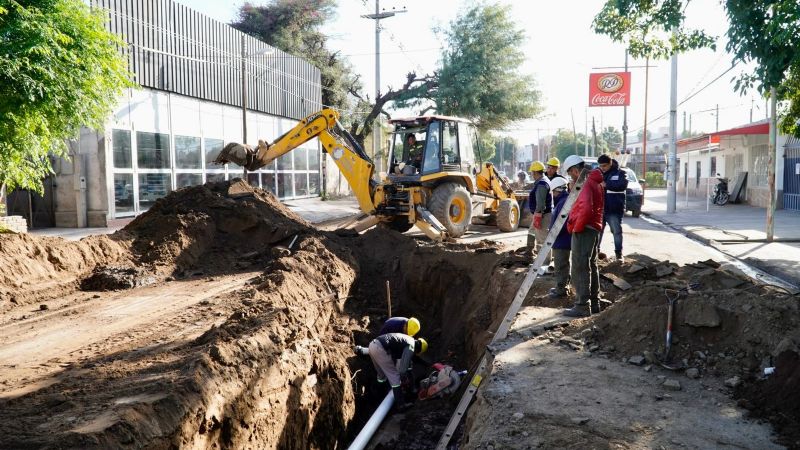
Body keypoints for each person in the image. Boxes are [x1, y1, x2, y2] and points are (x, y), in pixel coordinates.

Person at [561, 155, 605, 318]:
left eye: (571, 172)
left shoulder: (585, 183)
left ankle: (581, 305)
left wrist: (575, 227)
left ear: (575, 169)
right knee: (591, 265)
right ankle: (594, 303)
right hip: (593, 227)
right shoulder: (595, 181)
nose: (571, 176)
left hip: (584, 229)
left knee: (580, 266)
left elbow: (586, 209)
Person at [368, 333, 428, 409]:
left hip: (372, 345)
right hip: (380, 349)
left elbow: (398, 359)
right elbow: (402, 371)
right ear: (419, 349)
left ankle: (377, 395)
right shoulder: (411, 346)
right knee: (395, 378)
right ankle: (401, 405)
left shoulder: (407, 340)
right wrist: (403, 380)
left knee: (381, 376)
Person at [597, 154, 628, 262]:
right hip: (600, 209)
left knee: (616, 232)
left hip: (614, 209)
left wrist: (607, 184)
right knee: (597, 232)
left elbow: (622, 185)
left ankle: (618, 254)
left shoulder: (620, 173)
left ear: (610, 163)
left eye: (604, 166)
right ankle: (596, 253)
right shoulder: (598, 172)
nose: (602, 168)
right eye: (600, 166)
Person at [547, 176, 572, 299]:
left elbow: (562, 223)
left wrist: (553, 233)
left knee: (560, 265)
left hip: (561, 240)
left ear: (557, 190)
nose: (553, 194)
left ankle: (561, 289)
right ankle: (561, 286)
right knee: (563, 264)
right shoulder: (563, 201)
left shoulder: (563, 203)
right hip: (561, 239)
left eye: (553, 192)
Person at [527, 161, 552, 268]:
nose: (532, 175)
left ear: (535, 172)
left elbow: (541, 203)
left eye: (532, 172)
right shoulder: (543, 181)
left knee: (542, 238)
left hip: (542, 214)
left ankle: (545, 262)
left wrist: (538, 216)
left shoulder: (542, 184)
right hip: (541, 213)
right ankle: (531, 252)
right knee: (533, 231)